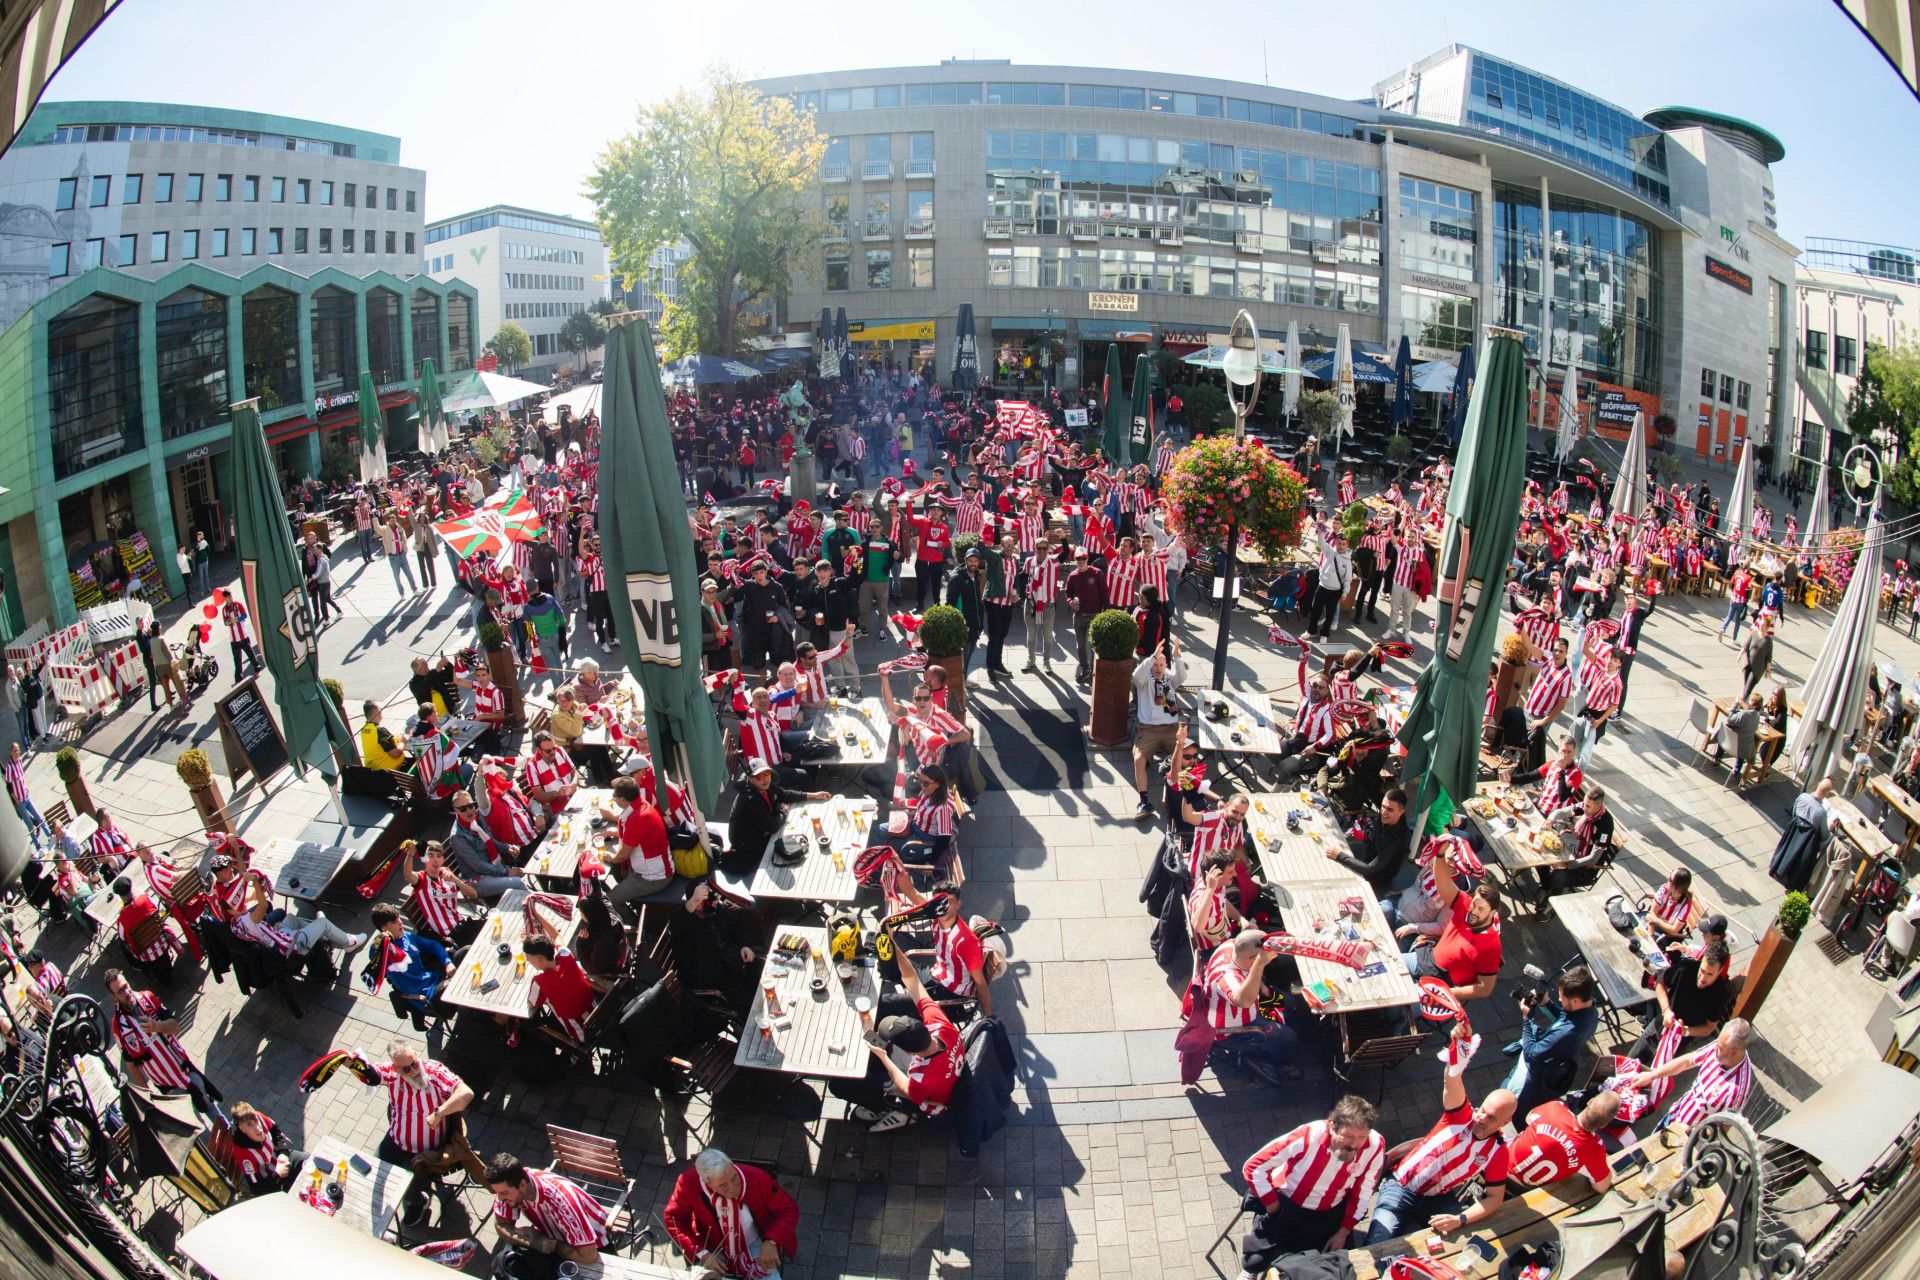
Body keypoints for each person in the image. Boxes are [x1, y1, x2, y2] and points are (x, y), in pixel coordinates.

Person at [1365, 1029, 1514, 1243]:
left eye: (1491, 1118)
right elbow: (1451, 1080)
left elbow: (1495, 1198)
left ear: (1505, 1123)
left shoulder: (1498, 1151)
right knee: (1377, 1241)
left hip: (1437, 1198)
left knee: (1459, 1245)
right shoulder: (1462, 1115)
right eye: (1482, 1110)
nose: (1480, 1118)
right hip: (1401, 1185)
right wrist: (1458, 1047)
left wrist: (1460, 1219)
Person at [1235, 1097, 1386, 1276]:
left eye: (1362, 1137)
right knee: (1254, 1262)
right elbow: (1254, 1166)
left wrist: (1344, 1232)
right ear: (1332, 1126)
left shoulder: (1375, 1146)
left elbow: (1364, 1191)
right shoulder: (1308, 1136)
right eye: (1348, 1136)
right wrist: (1273, 1205)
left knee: (1338, 1268)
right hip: (1287, 1205)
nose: (1354, 1145)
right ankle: (1251, 1273)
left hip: (1329, 1214)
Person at [828, 939, 963, 1133]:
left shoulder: (919, 1078)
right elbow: (912, 979)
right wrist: (891, 943)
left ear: (908, 1052)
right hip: (942, 1073)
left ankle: (894, 1110)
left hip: (924, 1098)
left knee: (839, 1086)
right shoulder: (942, 1027)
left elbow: (903, 1086)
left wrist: (883, 1056)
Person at [374, 1039, 487, 1227]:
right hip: (395, 1139)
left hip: (426, 1150)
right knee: (374, 1167)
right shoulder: (391, 1074)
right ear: (395, 1068)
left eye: (415, 1063)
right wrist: (349, 1061)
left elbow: (466, 1093)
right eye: (406, 1069)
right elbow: (368, 1073)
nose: (414, 1071)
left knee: (406, 1184)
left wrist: (439, 1112)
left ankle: (418, 1201)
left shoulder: (434, 1072)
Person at [104, 968, 224, 1123]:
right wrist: (148, 1096)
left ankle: (229, 1136)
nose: (127, 992)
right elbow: (131, 1065)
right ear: (114, 997)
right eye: (120, 991)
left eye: (126, 986)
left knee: (208, 1105)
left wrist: (156, 1027)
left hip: (183, 1068)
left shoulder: (147, 998)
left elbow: (175, 1026)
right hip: (165, 1084)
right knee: (188, 1121)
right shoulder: (118, 1026)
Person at [663, 1148, 801, 1280]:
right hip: (713, 1247)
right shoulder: (688, 1183)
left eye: (734, 1178)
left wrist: (771, 1241)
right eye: (722, 1185)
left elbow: (789, 1210)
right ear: (707, 1182)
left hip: (754, 1242)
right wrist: (703, 1253)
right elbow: (673, 1219)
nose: (733, 1188)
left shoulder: (758, 1178)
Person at [1184, 928, 1297, 1086]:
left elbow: (1248, 964)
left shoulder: (1232, 946)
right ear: (1253, 959)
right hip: (1232, 1031)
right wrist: (1260, 964)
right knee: (1287, 1037)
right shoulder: (1227, 977)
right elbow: (1243, 1001)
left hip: (1240, 1006)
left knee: (1290, 1002)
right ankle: (1274, 1063)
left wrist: (1262, 985)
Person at [1401, 849, 1503, 1012]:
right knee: (1387, 968)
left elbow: (1484, 989)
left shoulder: (1491, 945)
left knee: (1400, 1002)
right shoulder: (1464, 904)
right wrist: (1440, 854)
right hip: (1425, 958)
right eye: (1474, 905)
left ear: (1492, 913)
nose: (1474, 911)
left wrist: (1447, 993)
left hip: (1442, 982)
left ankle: (1395, 1026)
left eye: (1481, 909)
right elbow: (1444, 883)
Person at [1503, 966, 1599, 1117]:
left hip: (1531, 1078)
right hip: (1555, 1063)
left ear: (1575, 1000)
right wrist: (1546, 1002)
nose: (1559, 999)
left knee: (1506, 1107)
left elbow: (1532, 1052)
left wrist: (1527, 1019)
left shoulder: (1566, 1034)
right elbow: (1564, 1017)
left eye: (1562, 997)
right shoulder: (1591, 1011)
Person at [485, 1152, 609, 1267]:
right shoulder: (513, 1186)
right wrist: (534, 1241)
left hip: (595, 1247)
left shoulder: (563, 1203)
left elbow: (588, 1256)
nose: (500, 1198)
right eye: (498, 1193)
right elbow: (501, 1225)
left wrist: (548, 1243)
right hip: (556, 1239)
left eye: (504, 1193)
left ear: (522, 1185)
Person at [1628, 1019, 1756, 1131]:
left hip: (1687, 1138)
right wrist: (1652, 1075)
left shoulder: (1737, 1090)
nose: (1715, 1049)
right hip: (1676, 1114)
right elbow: (1688, 1061)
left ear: (1733, 1052)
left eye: (1720, 1048)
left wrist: (1694, 1131)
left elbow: (1724, 1127)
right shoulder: (1720, 1046)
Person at [1627, 937, 1734, 1065]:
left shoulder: (1720, 994)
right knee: (1628, 1064)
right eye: (1702, 970)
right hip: (1658, 1026)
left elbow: (1709, 1027)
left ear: (1720, 971)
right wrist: (1666, 1011)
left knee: (1654, 1078)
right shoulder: (1686, 968)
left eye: (1710, 974)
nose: (1702, 978)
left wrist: (1686, 1031)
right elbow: (1660, 983)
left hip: (1678, 1042)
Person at [367, 902, 456, 1030]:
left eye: (398, 917)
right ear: (384, 929)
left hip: (434, 977)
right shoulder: (382, 951)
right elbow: (374, 959)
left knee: (465, 951)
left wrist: (447, 962)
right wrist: (381, 942)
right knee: (457, 983)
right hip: (427, 995)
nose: (400, 922)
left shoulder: (406, 937)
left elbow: (432, 945)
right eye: (394, 921)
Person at [1508, 1092, 1619, 1191]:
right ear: (1604, 1125)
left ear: (1589, 1102)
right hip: (1523, 1191)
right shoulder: (1594, 1149)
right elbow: (1602, 1187)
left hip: (1501, 1164)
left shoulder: (1555, 1108)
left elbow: (1529, 1117)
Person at [1131, 636, 1186, 821]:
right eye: (1156, 664)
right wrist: (1152, 657)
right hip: (1149, 729)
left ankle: (1187, 796)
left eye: (1162, 664)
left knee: (1186, 758)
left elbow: (1182, 676)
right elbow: (1136, 675)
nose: (1158, 668)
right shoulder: (1144, 680)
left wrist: (1176, 656)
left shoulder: (1169, 678)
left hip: (1171, 727)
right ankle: (1144, 801)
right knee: (1139, 759)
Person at [1330, 788, 1411, 894]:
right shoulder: (1391, 813)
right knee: (1334, 848)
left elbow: (1369, 869)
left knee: (1338, 868)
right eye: (1383, 806)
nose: (1384, 812)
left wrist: (1340, 856)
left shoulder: (1397, 840)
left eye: (1390, 810)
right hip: (1369, 850)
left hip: (1378, 875)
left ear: (1401, 812)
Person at [447, 790, 527, 897]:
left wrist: (507, 848)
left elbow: (490, 840)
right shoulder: (458, 837)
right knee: (518, 883)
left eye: (471, 805)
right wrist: (505, 872)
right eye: (463, 808)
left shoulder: (477, 818)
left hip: (493, 868)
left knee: (524, 872)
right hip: (478, 880)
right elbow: (477, 865)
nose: (469, 811)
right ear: (456, 811)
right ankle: (537, 906)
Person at [401, 841, 481, 947]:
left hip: (464, 924)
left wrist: (455, 879)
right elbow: (408, 875)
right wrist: (410, 855)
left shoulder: (446, 872)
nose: (435, 859)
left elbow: (474, 895)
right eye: (431, 856)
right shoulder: (421, 879)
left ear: (443, 859)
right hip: (450, 936)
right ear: (424, 859)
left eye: (439, 856)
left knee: (493, 927)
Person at [524, 935, 596, 1041]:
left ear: (539, 959)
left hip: (582, 1034)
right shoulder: (566, 954)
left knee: (530, 1025)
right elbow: (558, 939)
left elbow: (531, 1003)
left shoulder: (539, 983)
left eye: (529, 960)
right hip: (597, 1015)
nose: (529, 963)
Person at [229, 1101, 303, 1196]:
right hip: (270, 1181)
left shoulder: (258, 1116)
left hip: (279, 1159)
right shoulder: (242, 1154)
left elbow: (276, 1132)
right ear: (242, 1128)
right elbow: (257, 1188)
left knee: (308, 1160)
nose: (258, 1128)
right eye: (250, 1124)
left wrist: (283, 1154)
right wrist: (277, 1174)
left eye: (255, 1121)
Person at [1063, 547, 1108, 686]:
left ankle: (1095, 671)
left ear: (1088, 558)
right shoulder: (1073, 575)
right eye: (1078, 558)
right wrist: (1071, 602)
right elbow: (1068, 593)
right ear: (1075, 559)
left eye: (1083, 558)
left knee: (1095, 646)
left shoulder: (1097, 573)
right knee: (1080, 646)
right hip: (1079, 616)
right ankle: (1085, 669)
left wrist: (1105, 613)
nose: (1081, 561)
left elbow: (1104, 594)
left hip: (1094, 615)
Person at [358, 701, 413, 773]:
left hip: (374, 771)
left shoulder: (365, 730)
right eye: (379, 710)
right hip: (392, 771)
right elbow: (396, 753)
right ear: (376, 713)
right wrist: (402, 742)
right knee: (417, 761)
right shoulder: (380, 731)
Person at [1740, 614, 1775, 700]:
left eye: (1763, 625)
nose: (1760, 626)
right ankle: (1744, 702)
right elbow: (1746, 646)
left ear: (1767, 627)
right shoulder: (1754, 633)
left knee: (1748, 688)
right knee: (1745, 686)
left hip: (1757, 669)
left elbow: (1769, 657)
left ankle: (1739, 704)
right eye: (1760, 624)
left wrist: (1767, 670)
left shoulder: (1768, 641)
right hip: (1748, 665)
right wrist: (1740, 654)